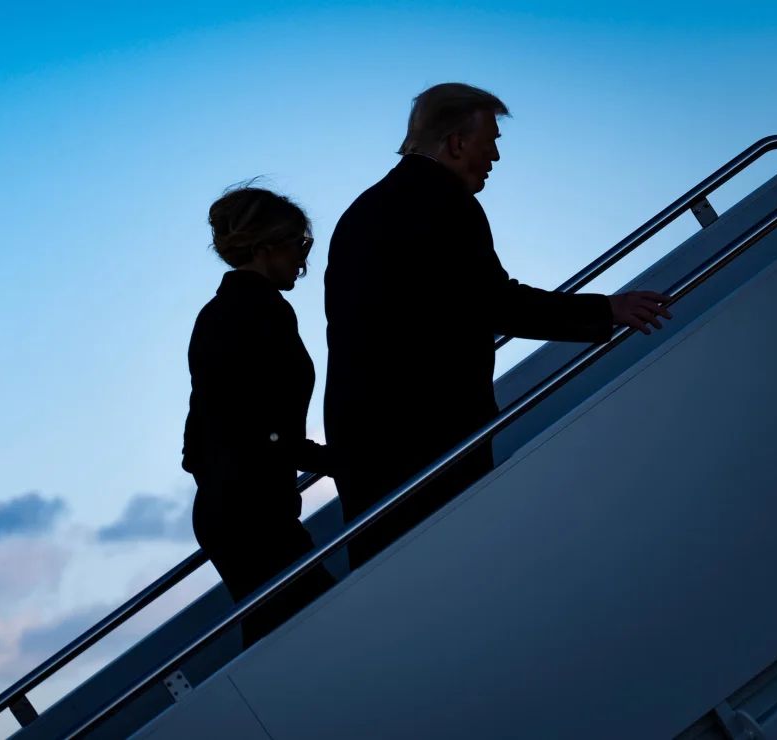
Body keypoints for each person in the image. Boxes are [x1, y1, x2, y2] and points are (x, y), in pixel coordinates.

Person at [323, 83, 672, 569]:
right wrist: (606, 311)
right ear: (456, 143)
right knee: (449, 575)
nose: (496, 156)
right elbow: (493, 301)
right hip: (428, 439)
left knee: (390, 583)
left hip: (363, 439)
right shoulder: (444, 201)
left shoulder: (361, 212)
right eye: (491, 140)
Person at [183, 185, 335, 647]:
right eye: (299, 244)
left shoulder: (222, 312)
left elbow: (204, 438)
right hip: (250, 512)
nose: (304, 259)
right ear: (266, 246)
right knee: (309, 628)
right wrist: (333, 459)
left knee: (288, 633)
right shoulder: (256, 311)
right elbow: (255, 428)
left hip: (237, 506)